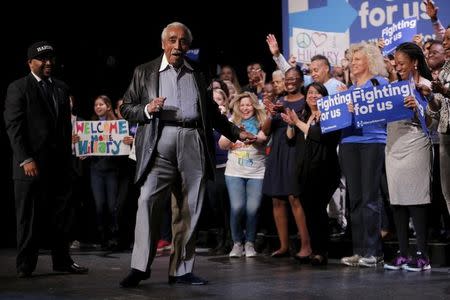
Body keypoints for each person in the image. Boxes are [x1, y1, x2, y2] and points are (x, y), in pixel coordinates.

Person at [119, 22, 256, 288]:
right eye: (172, 40)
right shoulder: (144, 71)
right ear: (163, 43)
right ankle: (139, 267)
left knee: (189, 207)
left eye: (183, 42)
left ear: (188, 46)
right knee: (147, 201)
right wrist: (147, 108)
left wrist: (237, 132)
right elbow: (126, 107)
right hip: (159, 143)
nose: (177, 46)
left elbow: (212, 114)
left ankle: (181, 270)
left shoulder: (199, 72)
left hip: (193, 140)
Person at [3, 41, 88, 278]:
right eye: (42, 59)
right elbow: (14, 127)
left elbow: (63, 127)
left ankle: (62, 261)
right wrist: (25, 158)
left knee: (62, 217)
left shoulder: (61, 87)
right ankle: (25, 265)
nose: (48, 63)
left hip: (59, 165)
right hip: (30, 165)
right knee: (29, 217)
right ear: (30, 62)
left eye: (51, 58)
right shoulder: (19, 87)